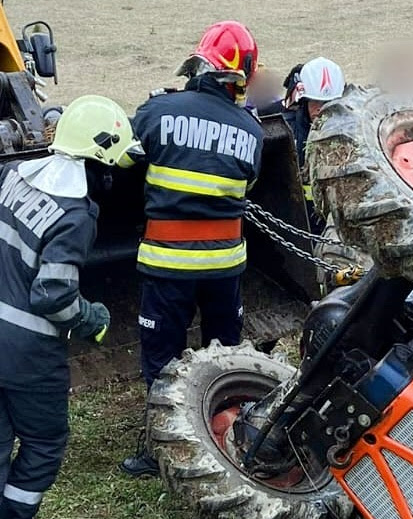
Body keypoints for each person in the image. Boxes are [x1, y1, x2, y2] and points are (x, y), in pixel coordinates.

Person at [0, 95, 141, 519]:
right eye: (113, 167)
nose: (113, 177)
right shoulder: (75, 215)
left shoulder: (19, 175)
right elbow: (53, 295)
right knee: (43, 444)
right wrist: (93, 320)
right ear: (98, 160)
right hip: (26, 358)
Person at [119, 20, 263, 478]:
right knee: (223, 356)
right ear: (241, 79)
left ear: (198, 65)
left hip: (168, 265)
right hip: (225, 268)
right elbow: (247, 185)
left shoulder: (157, 111)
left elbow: (123, 160)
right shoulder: (251, 131)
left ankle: (162, 451)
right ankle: (226, 437)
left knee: (164, 362)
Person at [280, 57, 346, 235]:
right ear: (303, 102)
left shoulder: (350, 134)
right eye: (316, 103)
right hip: (295, 224)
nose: (321, 110)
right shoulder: (285, 131)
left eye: (328, 104)